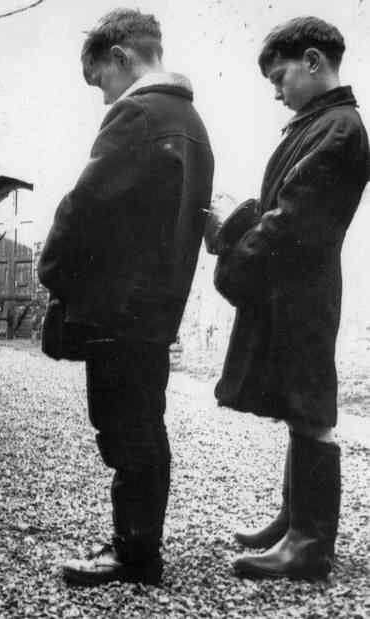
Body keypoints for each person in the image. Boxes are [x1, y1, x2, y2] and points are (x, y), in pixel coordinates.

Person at [37, 9, 214, 586]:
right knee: (145, 424)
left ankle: (135, 556)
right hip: (156, 308)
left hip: (117, 307)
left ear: (120, 58)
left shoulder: (136, 114)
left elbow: (82, 207)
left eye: (102, 83)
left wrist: (54, 273)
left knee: (124, 430)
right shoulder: (192, 122)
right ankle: (139, 544)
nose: (103, 98)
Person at [212, 16, 370, 581]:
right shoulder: (320, 122)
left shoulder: (340, 128)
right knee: (299, 402)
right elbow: (279, 208)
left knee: (312, 409)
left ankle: (309, 544)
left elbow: (294, 219)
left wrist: (233, 262)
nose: (276, 92)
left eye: (279, 77)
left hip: (304, 288)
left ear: (311, 61)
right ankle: (293, 518)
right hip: (294, 286)